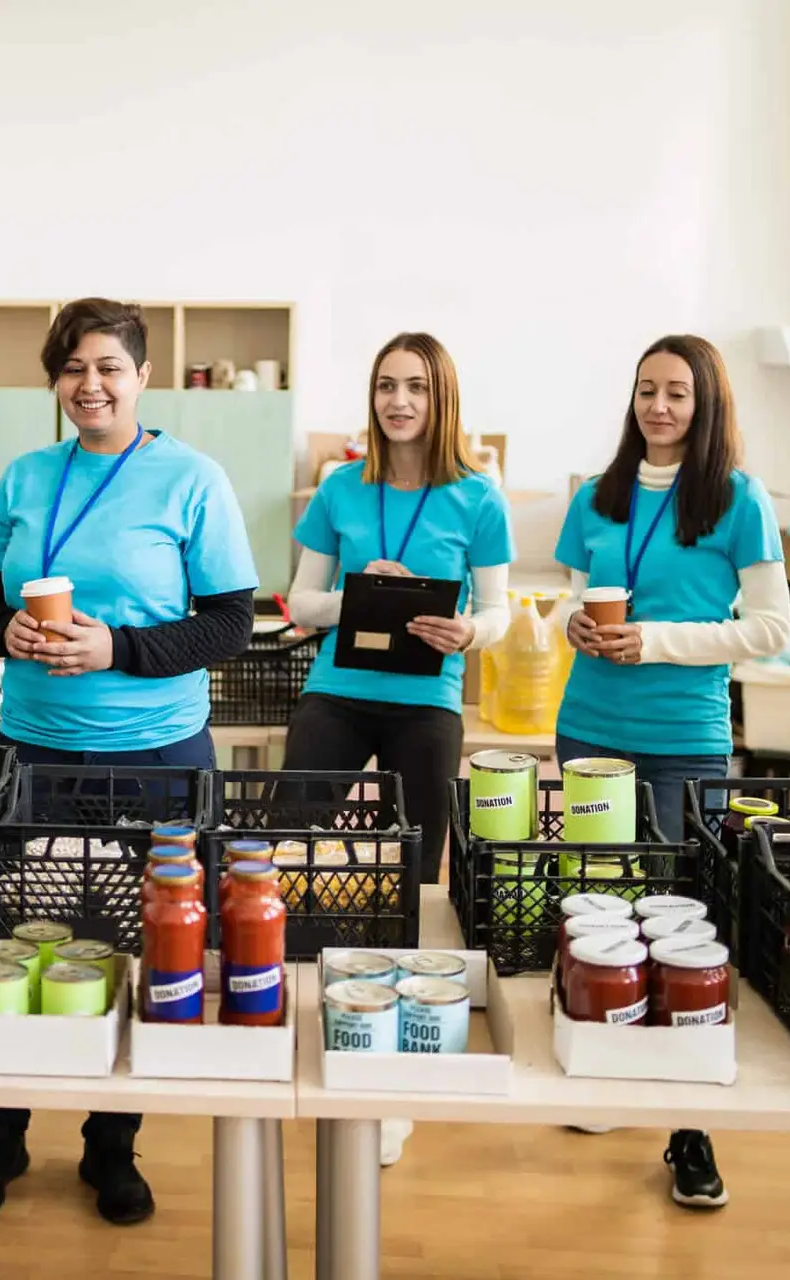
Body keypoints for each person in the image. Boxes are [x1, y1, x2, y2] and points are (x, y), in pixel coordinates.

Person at [0, 298, 257, 1225]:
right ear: (56, 380)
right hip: (32, 747)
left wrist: (115, 649)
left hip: (156, 754)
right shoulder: (24, 475)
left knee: (138, 940)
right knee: (7, 938)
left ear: (142, 376)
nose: (91, 385)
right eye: (74, 368)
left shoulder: (190, 478)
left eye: (109, 368)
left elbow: (230, 622)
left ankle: (111, 1143)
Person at [552, 334, 790, 1209]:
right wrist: (572, 624)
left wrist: (653, 641)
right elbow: (568, 598)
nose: (659, 407)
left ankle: (692, 1129)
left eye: (677, 394)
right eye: (647, 390)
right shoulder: (598, 494)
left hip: (685, 736)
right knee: (598, 906)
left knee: (689, 928)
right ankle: (609, 1064)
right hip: (588, 727)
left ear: (707, 404)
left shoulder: (737, 498)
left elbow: (770, 629)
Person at [282, 332, 513, 1167]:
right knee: (292, 852)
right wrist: (357, 594)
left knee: (414, 881)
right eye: (386, 385)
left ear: (440, 396)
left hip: (428, 703)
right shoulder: (342, 487)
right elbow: (300, 603)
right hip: (336, 695)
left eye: (415, 386)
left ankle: (389, 1079)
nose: (399, 401)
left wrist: (470, 630)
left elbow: (499, 611)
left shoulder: (478, 498)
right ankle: (292, 1025)